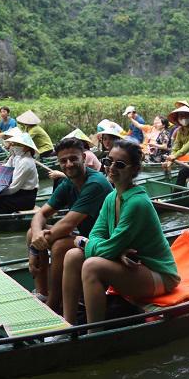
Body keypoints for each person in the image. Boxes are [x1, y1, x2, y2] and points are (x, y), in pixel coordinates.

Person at [62, 140, 179, 328]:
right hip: (134, 266)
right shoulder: (111, 197)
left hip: (159, 275)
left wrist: (83, 242)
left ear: (134, 170)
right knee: (72, 255)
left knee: (92, 265)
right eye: (109, 161)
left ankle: (94, 334)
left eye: (120, 164)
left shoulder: (136, 203)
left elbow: (104, 246)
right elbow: (97, 235)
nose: (111, 168)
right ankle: (67, 325)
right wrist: (116, 251)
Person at [27, 137, 113, 312]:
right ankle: (43, 293)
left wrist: (35, 248)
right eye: (63, 161)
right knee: (32, 233)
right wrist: (35, 239)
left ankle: (54, 302)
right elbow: (41, 214)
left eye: (73, 159)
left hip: (103, 242)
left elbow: (67, 225)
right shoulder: (68, 182)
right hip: (84, 237)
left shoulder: (95, 183)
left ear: (83, 157)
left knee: (59, 245)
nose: (69, 164)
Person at [0, 133, 39, 214]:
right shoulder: (16, 157)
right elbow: (5, 169)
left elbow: (13, 188)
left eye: (17, 144)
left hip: (25, 196)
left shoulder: (26, 162)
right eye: (13, 144)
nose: (13, 146)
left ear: (26, 148)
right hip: (16, 192)